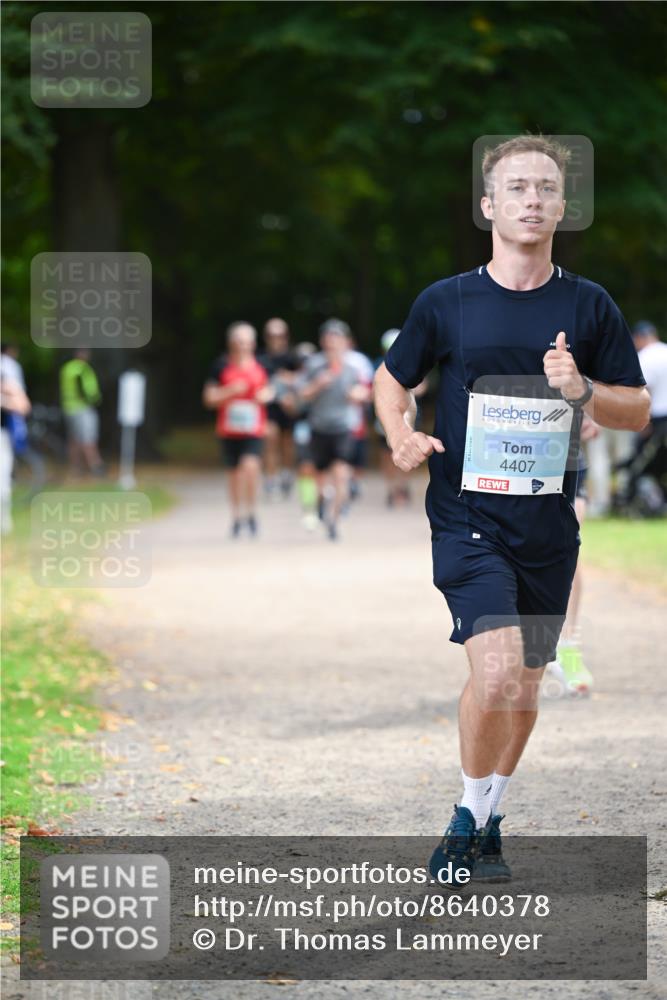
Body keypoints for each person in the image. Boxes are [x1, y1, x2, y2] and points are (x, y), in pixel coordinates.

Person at [374, 134, 650, 884]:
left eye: (545, 189)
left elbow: (636, 409)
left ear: (562, 207)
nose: (532, 199)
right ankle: (465, 815)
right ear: (489, 206)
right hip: (466, 515)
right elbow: (390, 379)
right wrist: (399, 434)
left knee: (524, 683)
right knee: (494, 674)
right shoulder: (447, 301)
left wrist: (583, 390)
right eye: (517, 187)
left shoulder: (587, 305)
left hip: (547, 524)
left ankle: (491, 815)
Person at [298, 319, 369, 541]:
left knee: (341, 474)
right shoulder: (314, 366)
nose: (332, 343)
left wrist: (358, 395)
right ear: (322, 342)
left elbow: (366, 392)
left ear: (344, 342)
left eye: (336, 339)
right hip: (319, 428)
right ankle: (321, 503)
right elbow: (301, 395)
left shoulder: (353, 367)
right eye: (328, 339)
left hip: (343, 428)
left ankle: (334, 521)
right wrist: (318, 385)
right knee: (320, 481)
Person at [203, 322, 273, 538]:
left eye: (246, 341)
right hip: (228, 429)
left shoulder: (262, 364)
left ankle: (252, 512)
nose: (243, 346)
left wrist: (265, 396)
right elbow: (209, 398)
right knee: (234, 475)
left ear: (253, 343)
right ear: (231, 343)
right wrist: (230, 391)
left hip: (254, 429)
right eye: (238, 341)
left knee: (250, 467)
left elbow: (271, 390)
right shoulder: (220, 366)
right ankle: (236, 516)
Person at [547, 414, 599, 696]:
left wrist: (593, 409)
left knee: (568, 545)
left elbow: (601, 379)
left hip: (568, 458)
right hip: (512, 458)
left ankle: (567, 648)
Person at [374, 329, 429, 507]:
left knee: (410, 450)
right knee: (386, 454)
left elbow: (423, 387)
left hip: (410, 416)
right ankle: (392, 488)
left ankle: (403, 487)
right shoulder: (378, 364)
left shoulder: (415, 363)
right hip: (385, 417)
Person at [622, 320, 667, 511]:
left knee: (643, 461)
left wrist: (643, 422)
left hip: (658, 419)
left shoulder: (645, 357)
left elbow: (643, 392)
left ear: (639, 338)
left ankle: (630, 500)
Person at [259, 318, 299, 500]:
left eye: (280, 335)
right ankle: (270, 478)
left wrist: (289, 380)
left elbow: (304, 378)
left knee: (287, 443)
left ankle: (287, 474)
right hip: (270, 406)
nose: (276, 339)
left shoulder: (293, 356)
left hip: (289, 405)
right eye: (272, 335)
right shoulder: (261, 359)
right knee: (270, 439)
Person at [59, 348, 104, 477]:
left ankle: (75, 468)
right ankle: (95, 466)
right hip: (82, 408)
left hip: (68, 407)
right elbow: (87, 391)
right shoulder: (82, 369)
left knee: (74, 439)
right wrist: (95, 399)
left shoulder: (67, 368)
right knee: (88, 438)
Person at [1, 371, 31, 534]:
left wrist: (6, 398)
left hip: (2, 439)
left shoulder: (7, 385)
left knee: (3, 482)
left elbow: (24, 406)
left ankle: (4, 521)